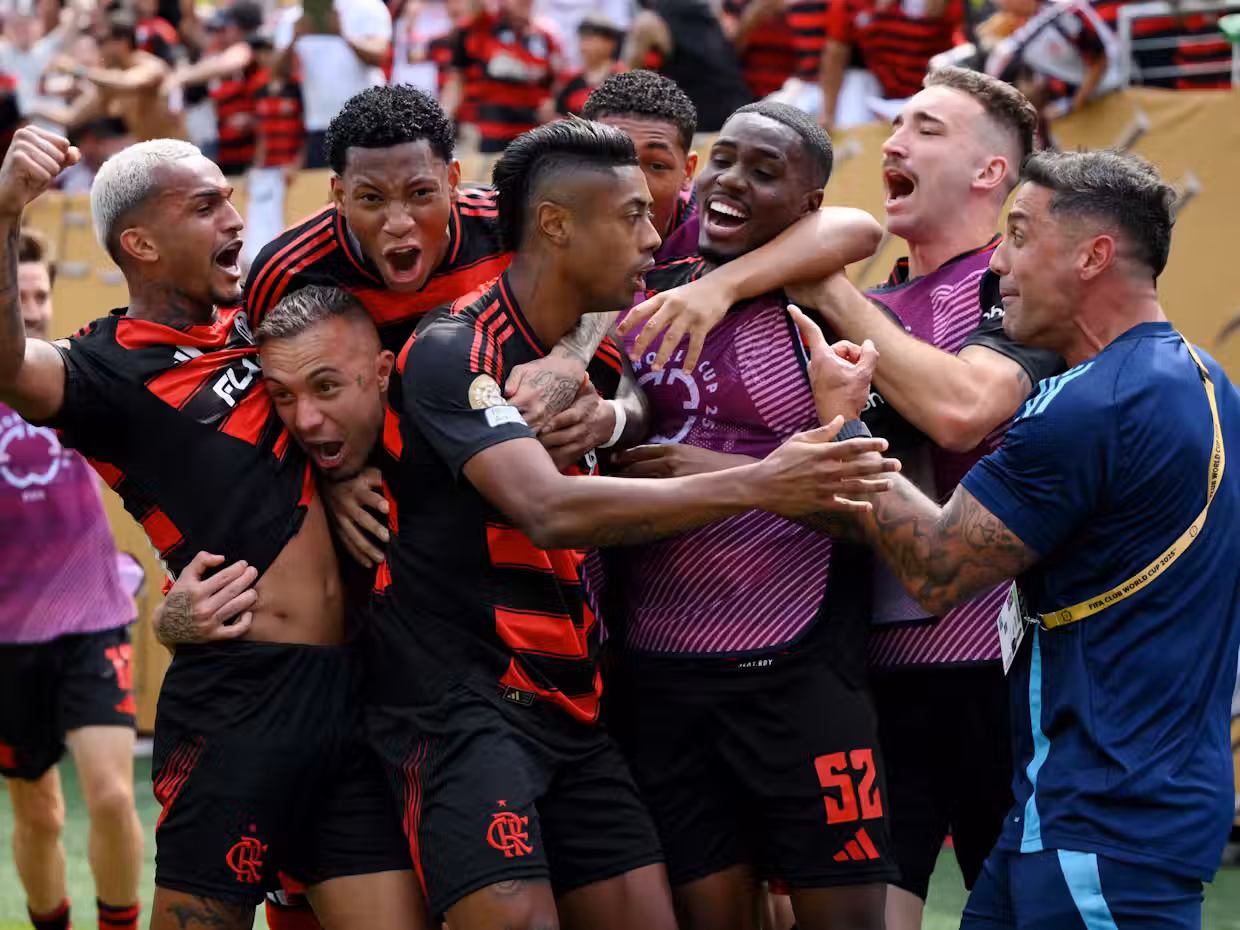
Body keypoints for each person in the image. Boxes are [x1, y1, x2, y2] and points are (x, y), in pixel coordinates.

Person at [361, 118, 898, 930]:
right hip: (464, 708)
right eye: (633, 216)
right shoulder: (452, 348)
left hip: (578, 709)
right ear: (555, 225)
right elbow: (548, 509)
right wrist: (761, 483)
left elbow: (851, 227)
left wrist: (617, 419)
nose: (656, 237)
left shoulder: (606, 342)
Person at [621, 66, 1063, 930]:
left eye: (927, 129)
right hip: (874, 671)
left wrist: (808, 284)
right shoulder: (879, 297)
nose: (894, 143)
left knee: (1024, 912)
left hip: (996, 677)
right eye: (895, 126)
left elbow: (959, 409)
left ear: (990, 174)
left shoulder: (1009, 290)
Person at [0, 128, 425, 930]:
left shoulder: (266, 325)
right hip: (240, 695)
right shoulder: (105, 367)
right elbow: (10, 369)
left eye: (229, 196)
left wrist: (336, 482)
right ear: (141, 244)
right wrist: (3, 213)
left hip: (355, 687)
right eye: (205, 206)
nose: (234, 216)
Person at [805, 149, 1240, 929]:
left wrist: (852, 421)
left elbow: (936, 568)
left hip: (1104, 815)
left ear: (1092, 255)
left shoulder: (1089, 407)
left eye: (1018, 234)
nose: (998, 262)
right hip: (1096, 801)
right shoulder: (1207, 379)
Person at [250, 82, 885, 562]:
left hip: (562, 558)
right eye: (370, 200)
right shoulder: (290, 272)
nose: (398, 222)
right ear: (337, 195)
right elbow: (265, 405)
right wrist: (326, 484)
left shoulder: (527, 224)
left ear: (450, 180)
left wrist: (594, 376)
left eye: (420, 194)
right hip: (412, 535)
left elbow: (853, 226)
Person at [602, 102, 891, 930]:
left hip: (797, 675)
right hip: (659, 678)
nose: (731, 183)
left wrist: (738, 474)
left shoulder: (817, 311)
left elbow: (872, 513)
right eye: (722, 161)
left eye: (764, 174)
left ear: (804, 205)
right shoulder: (640, 284)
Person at [0, 229, 144, 930]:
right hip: (7, 639)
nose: (28, 310)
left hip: (93, 618)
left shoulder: (75, 377)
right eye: (14, 297)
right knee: (39, 813)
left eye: (37, 296)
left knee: (115, 796)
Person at [554, 15, 625, 118]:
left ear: (610, 43)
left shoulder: (622, 77)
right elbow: (558, 115)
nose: (584, 45)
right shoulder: (569, 80)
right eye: (582, 39)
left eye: (591, 39)